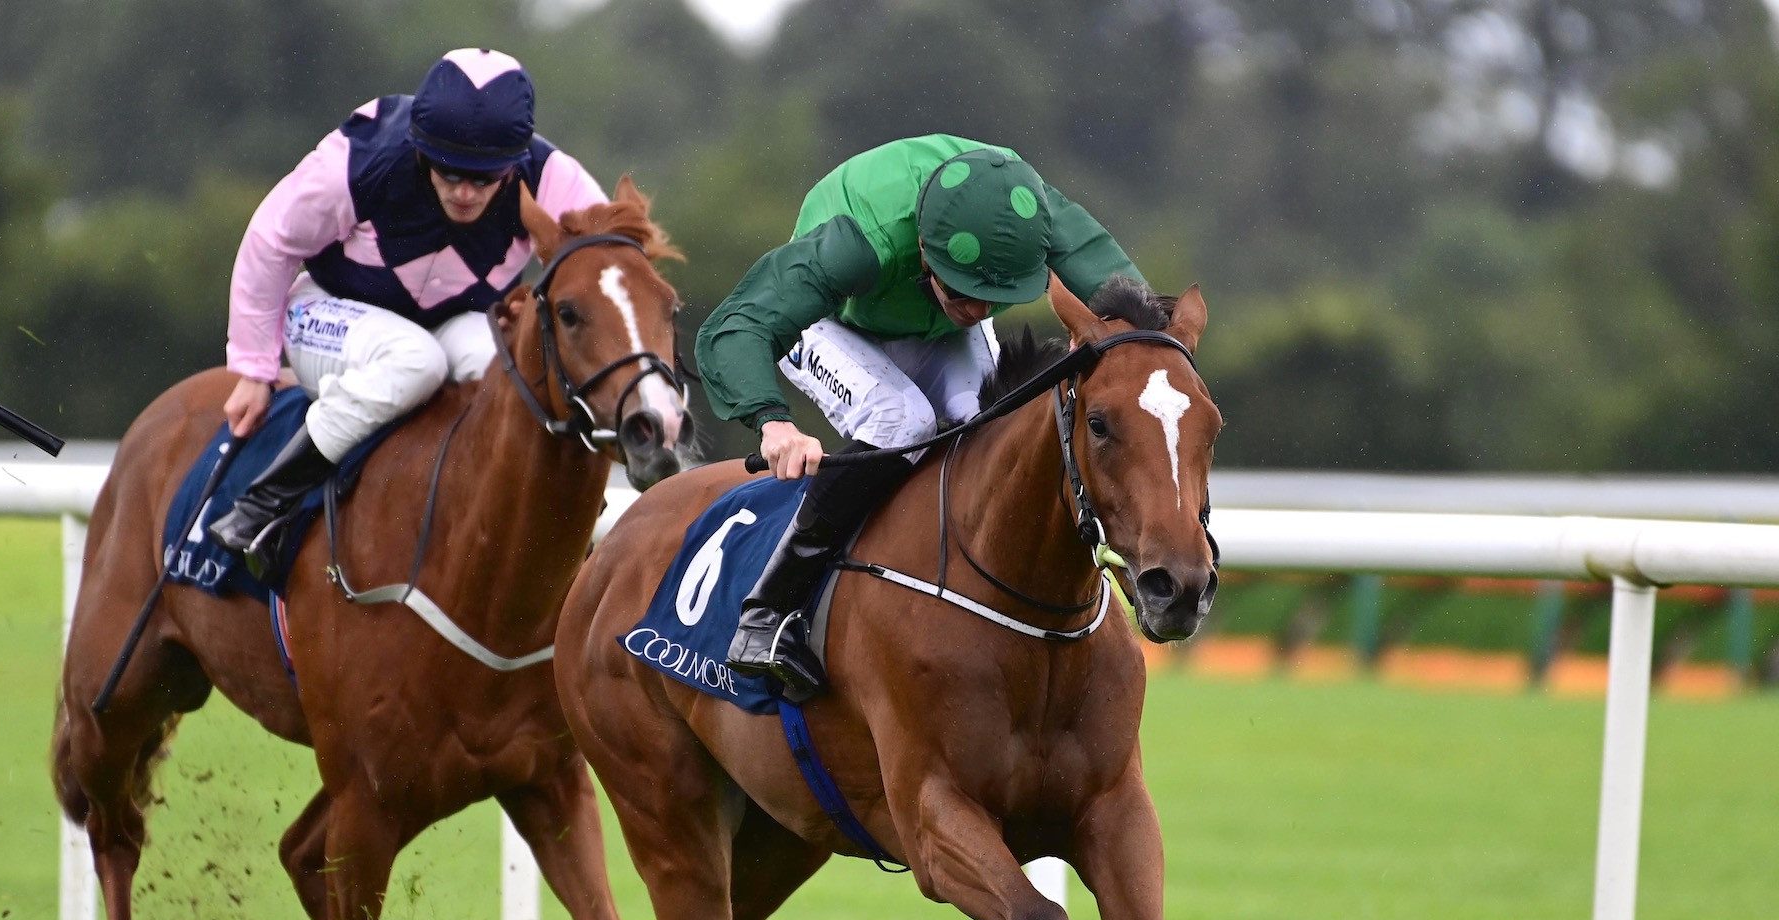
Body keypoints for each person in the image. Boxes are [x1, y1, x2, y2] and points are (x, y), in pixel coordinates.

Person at [695, 134, 1149, 700]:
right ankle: (767, 613)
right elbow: (736, 326)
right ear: (925, 250)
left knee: (985, 428)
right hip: (832, 320)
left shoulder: (1033, 214)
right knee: (902, 420)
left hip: (926, 322)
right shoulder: (856, 243)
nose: (980, 312)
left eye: (993, 295)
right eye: (966, 292)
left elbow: (1143, 314)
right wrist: (772, 422)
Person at [208, 47, 608, 569]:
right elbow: (271, 240)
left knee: (513, 369)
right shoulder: (363, 157)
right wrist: (255, 370)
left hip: (454, 320)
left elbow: (607, 265)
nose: (465, 192)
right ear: (421, 149)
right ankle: (261, 506)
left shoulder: (551, 175)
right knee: (414, 360)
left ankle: (553, 528)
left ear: (513, 164)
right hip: (327, 311)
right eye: (448, 171)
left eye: (484, 178)